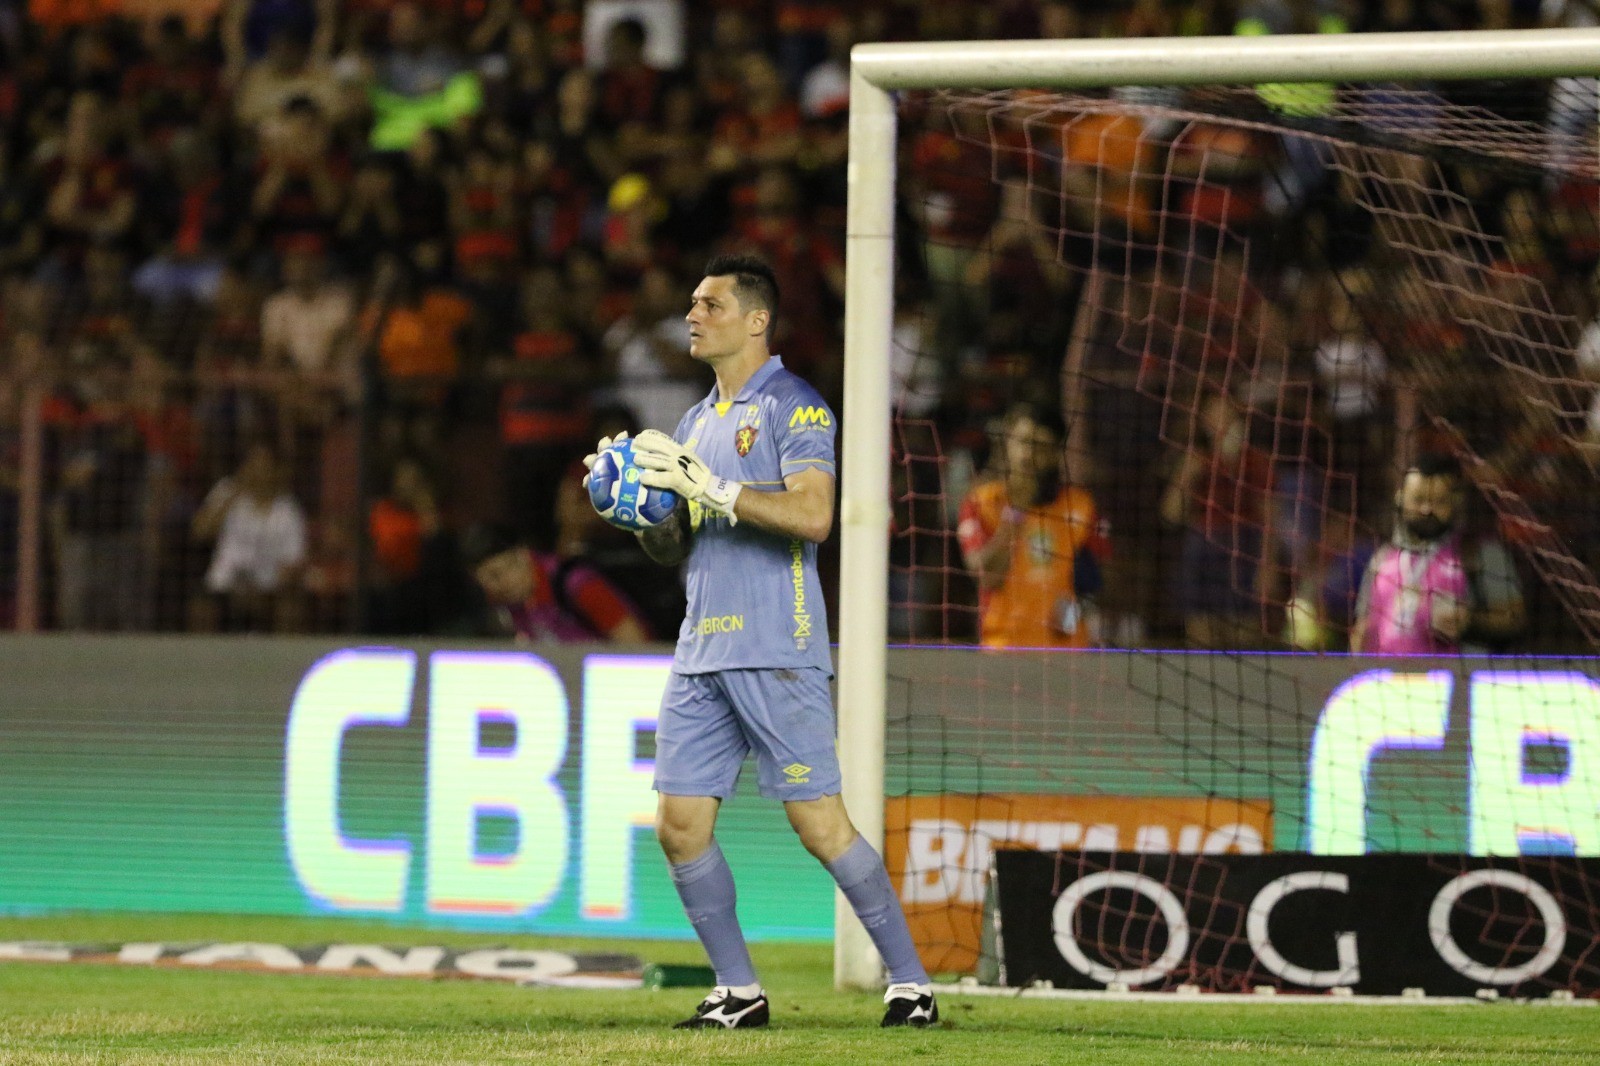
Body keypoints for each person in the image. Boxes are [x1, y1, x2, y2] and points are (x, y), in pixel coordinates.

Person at [583, 254, 936, 1030]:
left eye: (709, 303)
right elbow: (680, 546)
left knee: (820, 827)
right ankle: (738, 990)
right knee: (678, 825)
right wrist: (639, 515)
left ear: (755, 320)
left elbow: (813, 518)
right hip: (700, 651)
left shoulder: (796, 406)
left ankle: (910, 983)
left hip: (778, 645)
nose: (692, 314)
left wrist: (710, 488)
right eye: (691, 301)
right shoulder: (692, 421)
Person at [957, 401, 1108, 649]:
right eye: (1023, 442)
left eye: (1040, 447)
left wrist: (1073, 613)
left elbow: (1102, 581)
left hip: (1067, 652)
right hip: (1003, 646)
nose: (1028, 455)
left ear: (1054, 455)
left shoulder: (1079, 506)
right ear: (1008, 443)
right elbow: (987, 577)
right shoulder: (982, 502)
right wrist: (1017, 511)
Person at [1350, 453, 1526, 655]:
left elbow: (1515, 618)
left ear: (1455, 503)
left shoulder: (1478, 553)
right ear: (1400, 499)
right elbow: (1363, 627)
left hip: (1456, 679)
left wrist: (1469, 622)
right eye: (1418, 499)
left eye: (1439, 501)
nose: (1427, 509)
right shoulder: (1382, 559)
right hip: (1388, 680)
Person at [462, 522, 650, 644]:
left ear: (523, 555)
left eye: (502, 572)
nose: (500, 584)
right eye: (489, 579)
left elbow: (636, 644)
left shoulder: (577, 585)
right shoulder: (496, 604)